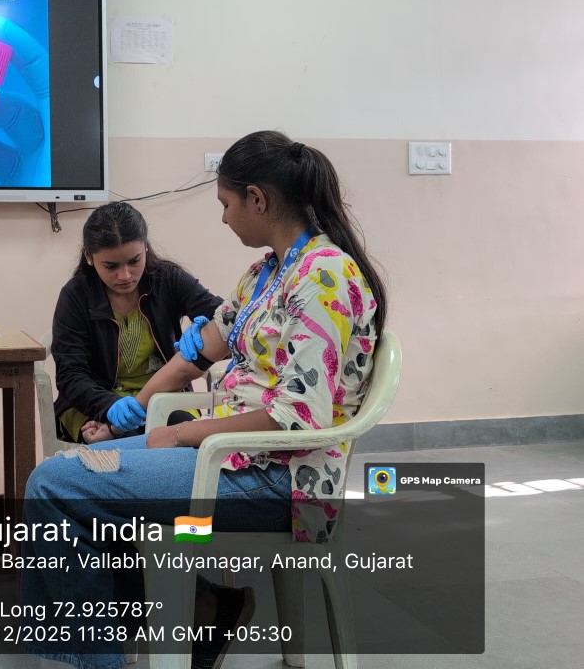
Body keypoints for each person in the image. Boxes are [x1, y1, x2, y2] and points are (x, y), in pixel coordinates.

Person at [22, 131, 388, 669]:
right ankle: (186, 615)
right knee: (69, 477)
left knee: (56, 486)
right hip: (233, 459)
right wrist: (135, 413)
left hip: (279, 480)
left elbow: (295, 418)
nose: (223, 218)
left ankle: (104, 654)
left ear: (257, 200)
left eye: (225, 204)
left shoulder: (323, 277)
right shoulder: (268, 272)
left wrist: (178, 433)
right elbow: (199, 351)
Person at [50, 201, 223, 444]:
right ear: (89, 256)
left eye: (134, 261)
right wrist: (109, 405)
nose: (125, 275)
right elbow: (70, 375)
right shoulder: (75, 296)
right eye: (111, 266)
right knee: (121, 447)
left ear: (146, 247)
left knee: (186, 443)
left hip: (165, 398)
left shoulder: (168, 280)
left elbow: (232, 323)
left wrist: (210, 329)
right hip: (93, 401)